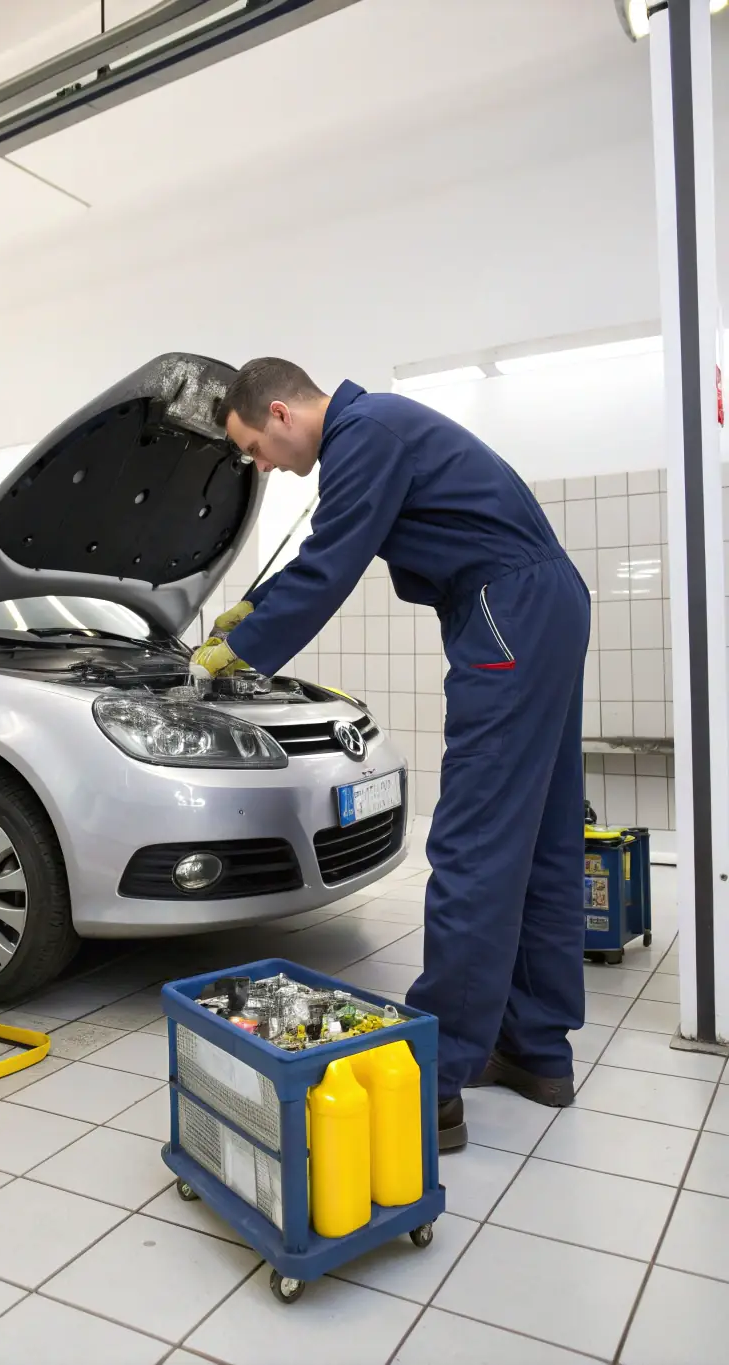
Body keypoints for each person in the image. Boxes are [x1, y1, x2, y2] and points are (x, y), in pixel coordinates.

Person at [193, 357, 590, 1150]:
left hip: (505, 612)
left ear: (278, 412)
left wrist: (244, 647)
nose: (259, 468)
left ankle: (432, 1082)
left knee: (474, 844)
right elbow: (326, 545)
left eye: (254, 450)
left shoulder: (363, 434)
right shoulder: (377, 430)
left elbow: (330, 564)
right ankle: (535, 1046)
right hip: (541, 603)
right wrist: (253, 607)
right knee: (541, 836)